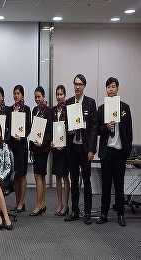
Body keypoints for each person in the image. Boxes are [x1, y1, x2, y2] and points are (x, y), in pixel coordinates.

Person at [96, 77, 132, 226]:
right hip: (107, 152)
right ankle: (103, 213)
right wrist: (106, 128)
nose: (110, 89)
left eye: (113, 87)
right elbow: (97, 129)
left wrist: (127, 151)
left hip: (119, 152)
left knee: (119, 184)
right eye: (108, 87)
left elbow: (129, 131)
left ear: (117, 89)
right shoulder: (101, 108)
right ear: (106, 90)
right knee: (105, 184)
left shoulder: (125, 108)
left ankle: (120, 214)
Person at [64, 74, 98, 225]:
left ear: (84, 86)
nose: (77, 87)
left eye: (80, 84)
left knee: (87, 181)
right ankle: (75, 211)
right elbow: (65, 124)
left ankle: (88, 213)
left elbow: (93, 129)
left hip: (85, 150)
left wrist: (91, 150)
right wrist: (68, 130)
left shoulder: (90, 103)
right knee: (74, 181)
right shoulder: (69, 102)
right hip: (72, 149)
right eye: (75, 84)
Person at [8, 85, 31, 213]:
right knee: (15, 175)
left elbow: (28, 128)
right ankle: (16, 201)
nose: (16, 95)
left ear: (22, 95)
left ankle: (21, 202)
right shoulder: (10, 109)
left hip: (21, 145)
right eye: (14, 93)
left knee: (22, 175)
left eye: (18, 93)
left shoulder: (26, 109)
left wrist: (21, 137)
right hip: (12, 146)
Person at [29, 86, 51, 216]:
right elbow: (33, 131)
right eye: (35, 97)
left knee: (38, 175)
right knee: (40, 175)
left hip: (43, 148)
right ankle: (42, 203)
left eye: (39, 97)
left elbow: (49, 131)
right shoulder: (34, 110)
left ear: (43, 97)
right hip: (35, 147)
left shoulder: (47, 111)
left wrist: (42, 143)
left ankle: (39, 204)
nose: (37, 99)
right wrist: (31, 148)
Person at [51, 85, 70, 216]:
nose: (59, 97)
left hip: (65, 149)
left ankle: (67, 205)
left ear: (65, 95)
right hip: (55, 148)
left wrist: (65, 144)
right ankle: (59, 203)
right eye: (57, 94)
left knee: (65, 177)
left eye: (61, 94)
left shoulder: (68, 109)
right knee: (57, 177)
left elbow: (70, 129)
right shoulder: (52, 110)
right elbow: (50, 129)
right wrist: (52, 141)